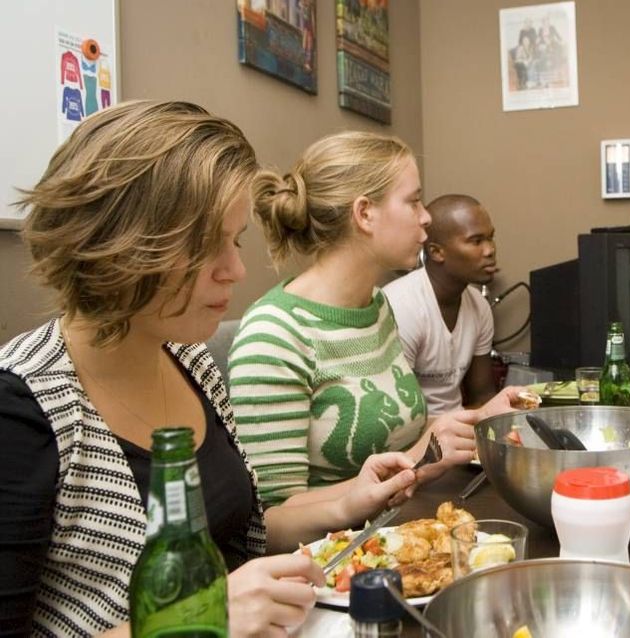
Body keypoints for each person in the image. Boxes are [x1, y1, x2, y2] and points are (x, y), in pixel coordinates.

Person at [0, 101, 417, 636]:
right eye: (206, 246)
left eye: (236, 240)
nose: (236, 270)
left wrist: (342, 504)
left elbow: (242, 533)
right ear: (120, 242)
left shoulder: (188, 360)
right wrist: (199, 616)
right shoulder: (23, 410)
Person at [230, 132, 521, 510]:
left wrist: (479, 418)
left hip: (402, 522)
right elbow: (271, 520)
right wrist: (420, 459)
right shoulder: (274, 336)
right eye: (414, 201)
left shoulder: (377, 306)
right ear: (365, 213)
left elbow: (395, 435)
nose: (427, 217)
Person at [383, 194, 498, 416]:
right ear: (436, 252)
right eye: (476, 241)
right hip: (412, 438)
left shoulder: (479, 307)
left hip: (459, 433)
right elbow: (397, 414)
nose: (489, 250)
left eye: (490, 238)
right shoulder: (401, 306)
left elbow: (482, 397)